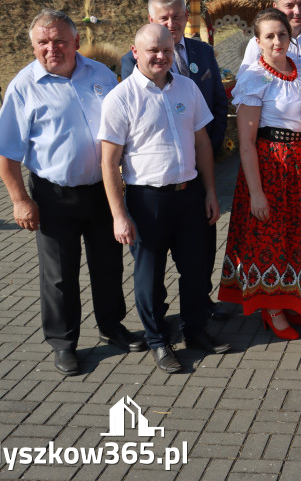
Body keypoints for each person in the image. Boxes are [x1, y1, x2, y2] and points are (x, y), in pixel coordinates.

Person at [0, 9, 144, 377]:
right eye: (43, 42)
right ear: (34, 46)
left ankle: (111, 327)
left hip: (103, 192)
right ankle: (64, 342)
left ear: (74, 41)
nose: (51, 48)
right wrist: (20, 200)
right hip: (54, 197)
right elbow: (4, 152)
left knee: (108, 264)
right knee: (59, 275)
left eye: (59, 41)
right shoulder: (24, 86)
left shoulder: (101, 75)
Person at [100, 24, 229, 374]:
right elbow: (109, 161)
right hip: (147, 202)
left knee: (195, 270)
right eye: (153, 50)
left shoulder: (186, 87)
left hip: (189, 195)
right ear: (135, 52)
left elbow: (202, 143)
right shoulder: (120, 98)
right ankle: (158, 341)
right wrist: (118, 214)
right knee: (149, 277)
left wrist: (211, 193)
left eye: (167, 51)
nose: (161, 57)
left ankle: (196, 331)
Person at [122, 0, 229, 322]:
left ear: (186, 16)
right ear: (151, 19)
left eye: (177, 16)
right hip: (154, 182)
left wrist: (207, 154)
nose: (172, 22)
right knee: (152, 260)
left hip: (198, 173)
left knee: (200, 248)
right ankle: (160, 319)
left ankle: (200, 306)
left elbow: (218, 105)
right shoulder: (134, 60)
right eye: (163, 17)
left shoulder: (202, 51)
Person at [217, 9, 301, 339]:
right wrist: (257, 192)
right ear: (257, 41)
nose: (277, 41)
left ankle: (290, 297)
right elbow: (246, 143)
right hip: (270, 165)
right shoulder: (256, 78)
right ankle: (271, 308)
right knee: (269, 236)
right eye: (269, 36)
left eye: (281, 34)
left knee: (295, 235)